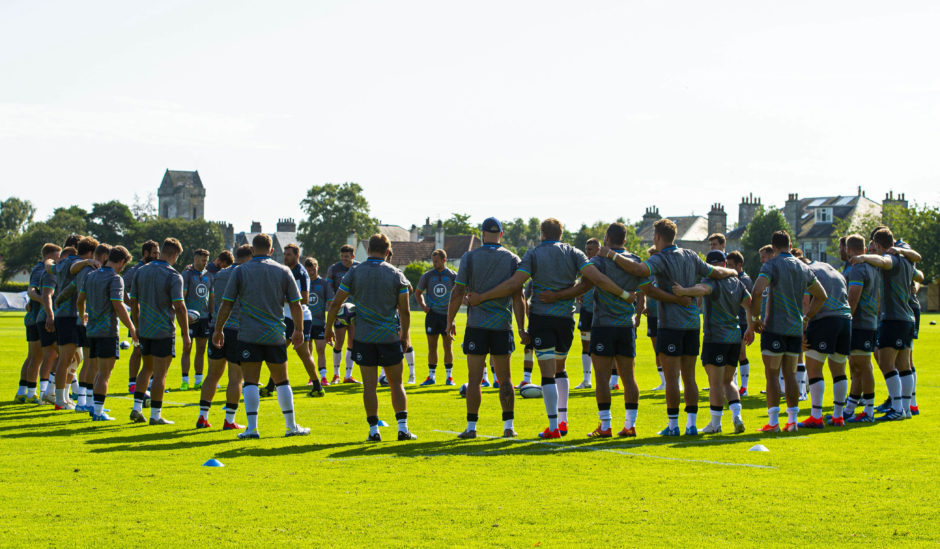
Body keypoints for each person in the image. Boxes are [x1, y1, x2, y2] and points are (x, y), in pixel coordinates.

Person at [467, 218, 638, 439]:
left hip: (542, 317)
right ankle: (564, 420)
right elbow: (593, 279)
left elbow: (514, 284)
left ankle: (554, 426)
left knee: (547, 373)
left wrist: (482, 296)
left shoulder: (534, 254)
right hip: (566, 320)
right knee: (561, 368)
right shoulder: (575, 253)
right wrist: (624, 295)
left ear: (542, 234)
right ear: (561, 233)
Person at [598, 219, 738, 436]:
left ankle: (673, 426)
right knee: (689, 376)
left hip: (671, 325)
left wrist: (611, 255)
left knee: (672, 378)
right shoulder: (691, 255)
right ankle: (691, 425)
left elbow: (638, 269)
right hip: (692, 324)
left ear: (657, 238)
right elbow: (716, 272)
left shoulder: (660, 258)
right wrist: (733, 273)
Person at [539, 223, 647, 437]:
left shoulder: (599, 261)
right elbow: (643, 290)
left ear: (606, 238)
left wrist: (558, 295)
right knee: (629, 376)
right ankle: (630, 424)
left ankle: (605, 426)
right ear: (625, 240)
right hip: (626, 325)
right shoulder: (635, 261)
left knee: (602, 377)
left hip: (604, 325)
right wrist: (638, 312)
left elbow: (583, 286)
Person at [213, 234, 310, 439]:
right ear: (272, 250)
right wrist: (299, 330)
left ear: (252, 249)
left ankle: (252, 429)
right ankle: (291, 426)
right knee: (282, 381)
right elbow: (296, 304)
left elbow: (227, 303)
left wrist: (218, 329)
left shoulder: (240, 271)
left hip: (248, 335)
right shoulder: (283, 271)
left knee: (250, 382)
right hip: (275, 334)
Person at [325, 234, 416, 442]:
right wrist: (405, 336)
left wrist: (329, 328)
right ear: (387, 251)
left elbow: (336, 303)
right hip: (389, 338)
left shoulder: (354, 273)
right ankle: (403, 429)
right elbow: (405, 310)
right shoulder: (396, 274)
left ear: (368, 249)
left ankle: (374, 431)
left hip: (364, 338)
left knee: (369, 386)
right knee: (396, 384)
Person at [446, 218, 525, 438]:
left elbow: (457, 292)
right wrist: (521, 328)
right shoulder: (511, 258)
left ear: (482, 234)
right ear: (501, 234)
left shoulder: (469, 257)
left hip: (476, 326)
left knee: (474, 379)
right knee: (505, 378)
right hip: (502, 326)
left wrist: (449, 321)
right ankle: (508, 427)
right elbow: (519, 297)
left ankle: (471, 428)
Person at [750, 231, 827, 433]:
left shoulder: (771, 265)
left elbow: (757, 290)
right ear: (790, 244)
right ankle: (792, 421)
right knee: (791, 375)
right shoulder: (803, 267)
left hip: (774, 328)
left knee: (772, 375)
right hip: (795, 329)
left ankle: (773, 422)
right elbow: (822, 295)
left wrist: (755, 318)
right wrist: (807, 317)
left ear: (773, 247)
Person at [673, 250, 753, 434]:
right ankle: (737, 416)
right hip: (735, 337)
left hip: (716, 338)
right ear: (725, 263)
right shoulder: (737, 281)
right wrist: (749, 326)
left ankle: (716, 424)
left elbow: (703, 290)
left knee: (715, 383)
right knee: (728, 380)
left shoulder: (711, 280)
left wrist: (684, 291)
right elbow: (748, 302)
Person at [851, 228, 921, 420]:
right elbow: (919, 271)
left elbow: (884, 261)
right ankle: (906, 408)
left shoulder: (893, 258)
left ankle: (898, 408)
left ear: (880, 244)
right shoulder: (907, 259)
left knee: (886, 363)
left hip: (894, 319)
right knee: (904, 365)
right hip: (907, 318)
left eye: (873, 244)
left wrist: (863, 257)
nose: (872, 247)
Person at [128, 238, 192, 425]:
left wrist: (137, 325)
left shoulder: (141, 271)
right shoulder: (173, 276)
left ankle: (137, 408)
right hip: (163, 330)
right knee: (160, 374)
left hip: (145, 329)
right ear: (174, 255)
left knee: (146, 368)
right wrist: (186, 334)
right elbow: (180, 307)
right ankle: (155, 415)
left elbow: (133, 301)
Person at [76, 245, 136, 421]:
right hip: (107, 331)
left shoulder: (90, 276)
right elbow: (118, 305)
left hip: (92, 330)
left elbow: (80, 300)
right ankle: (98, 412)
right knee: (104, 373)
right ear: (122, 261)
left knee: (92, 369)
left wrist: (82, 315)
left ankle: (91, 405)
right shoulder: (116, 278)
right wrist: (132, 328)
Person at [797, 256, 852, 428]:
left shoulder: (807, 271)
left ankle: (816, 416)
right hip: (845, 320)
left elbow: (806, 301)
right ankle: (838, 416)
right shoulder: (831, 268)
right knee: (839, 369)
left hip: (824, 321)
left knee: (814, 368)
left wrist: (804, 325)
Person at [50, 236, 100, 410]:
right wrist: (87, 262)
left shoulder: (61, 262)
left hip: (65, 315)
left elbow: (51, 269)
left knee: (71, 359)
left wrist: (48, 261)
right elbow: (73, 269)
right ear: (91, 252)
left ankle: (64, 397)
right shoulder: (78, 263)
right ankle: (59, 400)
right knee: (65, 359)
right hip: (70, 316)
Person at [197, 248, 245, 430]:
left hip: (216, 328)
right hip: (236, 330)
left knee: (212, 375)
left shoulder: (219, 275)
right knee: (235, 378)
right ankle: (229, 420)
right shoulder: (245, 274)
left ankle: (203, 417)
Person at [842, 234, 881, 423]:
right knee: (856, 366)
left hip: (860, 323)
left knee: (863, 366)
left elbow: (854, 296)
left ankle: (869, 410)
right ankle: (850, 408)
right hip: (869, 322)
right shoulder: (873, 267)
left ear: (849, 250)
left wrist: (847, 318)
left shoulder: (857, 269)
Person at [16, 244, 61, 404]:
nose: (58, 259)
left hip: (34, 317)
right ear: (48, 256)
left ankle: (23, 392)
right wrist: (44, 300)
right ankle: (31, 393)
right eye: (57, 256)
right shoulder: (41, 269)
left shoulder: (42, 269)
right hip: (36, 318)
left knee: (34, 357)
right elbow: (31, 290)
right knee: (37, 357)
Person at [72, 243, 111, 413]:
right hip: (91, 322)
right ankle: (85, 402)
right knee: (91, 364)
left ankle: (86, 401)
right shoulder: (93, 271)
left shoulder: (83, 269)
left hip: (85, 321)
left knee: (89, 363)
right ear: (104, 257)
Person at [416, 249, 457, 386]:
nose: (434, 264)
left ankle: (449, 377)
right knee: (432, 347)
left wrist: (454, 316)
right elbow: (418, 293)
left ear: (444, 260)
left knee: (447, 346)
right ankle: (431, 377)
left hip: (447, 316)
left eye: (437, 261)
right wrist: (423, 305)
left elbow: (459, 294)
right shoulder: (427, 276)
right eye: (433, 261)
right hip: (432, 316)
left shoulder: (452, 276)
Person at [125, 240, 159, 394]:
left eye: (158, 253)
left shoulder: (156, 269)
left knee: (153, 352)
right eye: (154, 253)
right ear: (146, 253)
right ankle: (132, 383)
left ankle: (151, 383)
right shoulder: (135, 270)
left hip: (153, 318)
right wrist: (133, 305)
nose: (157, 256)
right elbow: (122, 287)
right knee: (138, 349)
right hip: (139, 318)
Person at [326, 244, 359, 384]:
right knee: (339, 342)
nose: (344, 259)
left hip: (355, 310)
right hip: (340, 310)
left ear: (353, 256)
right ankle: (336, 374)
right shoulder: (334, 269)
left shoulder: (359, 268)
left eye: (347, 257)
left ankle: (348, 375)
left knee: (352, 341)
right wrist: (331, 304)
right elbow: (329, 288)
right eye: (342, 257)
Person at [180, 248, 213, 391]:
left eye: (206, 260)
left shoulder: (209, 275)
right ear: (195, 259)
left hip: (205, 318)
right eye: (202, 260)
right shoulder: (187, 274)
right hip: (189, 318)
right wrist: (183, 315)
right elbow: (182, 296)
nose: (205, 263)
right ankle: (184, 380)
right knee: (187, 348)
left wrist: (212, 315)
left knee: (201, 349)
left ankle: (198, 380)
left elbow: (211, 298)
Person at [726, 251, 753, 396]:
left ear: (739, 265)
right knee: (733, 354)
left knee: (741, 354)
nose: (728, 268)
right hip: (734, 321)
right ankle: (734, 384)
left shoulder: (744, 279)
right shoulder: (732, 278)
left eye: (731, 265)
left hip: (742, 321)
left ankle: (744, 387)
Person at [574, 238, 600, 389]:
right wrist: (579, 291)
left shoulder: (603, 265)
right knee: (585, 343)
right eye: (587, 248)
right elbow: (580, 282)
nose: (588, 251)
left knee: (601, 345)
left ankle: (611, 381)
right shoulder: (585, 265)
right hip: (586, 310)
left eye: (591, 249)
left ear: (598, 249)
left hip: (600, 311)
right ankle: (586, 380)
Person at [305, 257, 334, 388]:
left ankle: (323, 377)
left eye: (313, 269)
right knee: (307, 351)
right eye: (308, 270)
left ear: (317, 268)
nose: (311, 272)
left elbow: (330, 303)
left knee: (320, 349)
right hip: (305, 322)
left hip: (319, 322)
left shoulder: (324, 284)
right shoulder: (302, 283)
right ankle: (312, 377)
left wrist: (330, 324)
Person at [644, 246, 665, 391]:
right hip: (652, 314)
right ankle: (663, 382)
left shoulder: (665, 271)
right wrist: (645, 305)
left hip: (665, 315)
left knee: (667, 349)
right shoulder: (648, 273)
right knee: (656, 348)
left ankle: (675, 381)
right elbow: (644, 291)